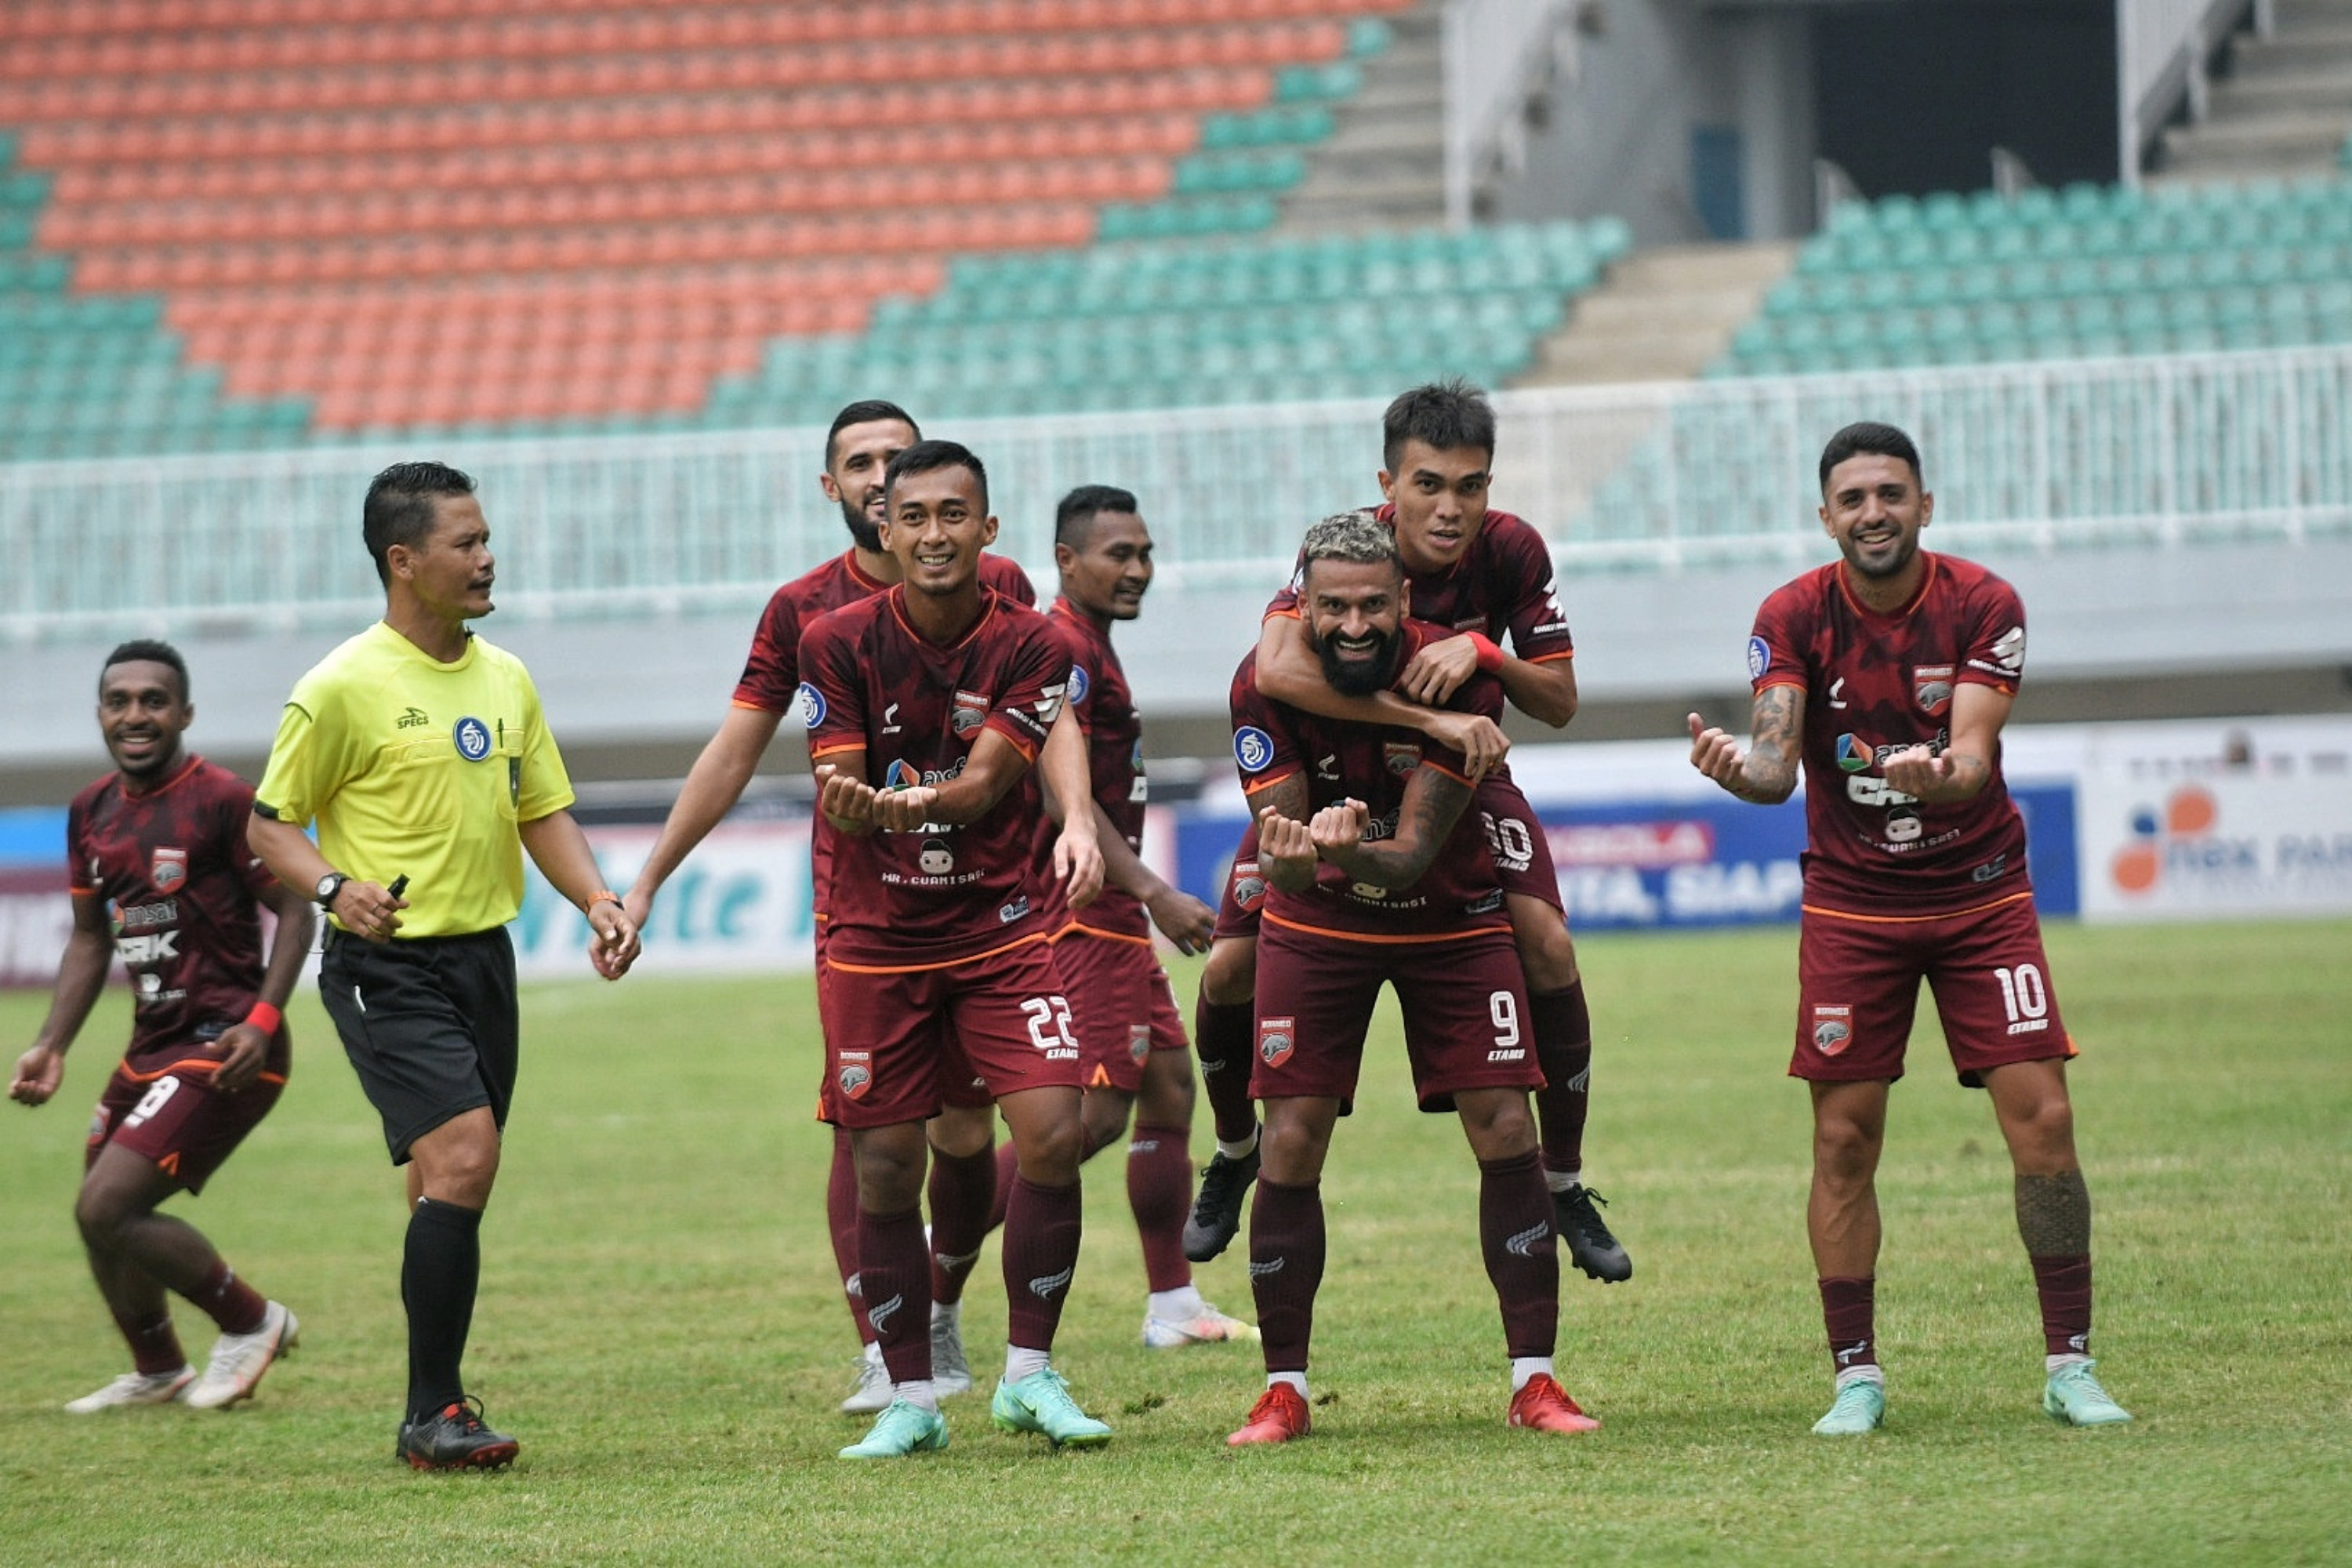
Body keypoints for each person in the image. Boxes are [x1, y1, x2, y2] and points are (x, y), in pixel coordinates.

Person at [1687, 420, 2130, 1435]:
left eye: (1891, 494)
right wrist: (1736, 771)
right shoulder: (1792, 612)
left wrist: (1946, 775)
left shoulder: (1982, 603)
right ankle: (1857, 1377)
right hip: (1854, 906)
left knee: (2047, 1125)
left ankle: (2071, 1365)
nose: (1873, 512)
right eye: (1853, 499)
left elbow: (1972, 753)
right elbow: (1771, 760)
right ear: (1826, 516)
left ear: (1924, 506)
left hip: (1981, 897)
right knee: (1844, 1139)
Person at [619, 400, 1033, 1415]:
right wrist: (648, 879)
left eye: (900, 459)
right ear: (837, 489)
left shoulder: (1004, 589)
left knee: (970, 1138)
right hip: (867, 911)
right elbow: (735, 751)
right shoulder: (803, 609)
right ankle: (884, 1347)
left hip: (985, 908)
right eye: (861, 464)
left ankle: (941, 1302)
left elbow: (1052, 719)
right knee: (868, 1133)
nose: (882, 477)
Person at [1186, 379, 1632, 1290]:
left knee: (1547, 942)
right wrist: (1429, 717)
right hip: (1334, 780)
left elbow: (1558, 701)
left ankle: (1565, 1178)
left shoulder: (1511, 551)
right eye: (1429, 484)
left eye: (1470, 486)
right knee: (1228, 969)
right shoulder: (1345, 550)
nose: (1450, 507)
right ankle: (1235, 1149)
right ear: (1387, 484)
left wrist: (1484, 652)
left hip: (1459, 778)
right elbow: (1275, 665)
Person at [248, 461, 641, 1470]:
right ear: (403, 559)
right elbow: (270, 826)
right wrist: (338, 889)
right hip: (386, 964)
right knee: (465, 1158)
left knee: (443, 1179)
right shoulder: (340, 684)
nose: (486, 555)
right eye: (465, 542)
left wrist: (596, 898)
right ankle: (432, 1412)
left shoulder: (505, 676)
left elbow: (538, 808)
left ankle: (439, 1398)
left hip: (484, 959)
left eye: (485, 537)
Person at [1221, 512, 1596, 1446]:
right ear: (1301, 604)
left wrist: (1356, 856)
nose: (1355, 626)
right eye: (1334, 607)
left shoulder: (1459, 676)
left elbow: (1415, 853)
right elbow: (1289, 854)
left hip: (1451, 913)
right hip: (1318, 924)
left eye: (1372, 607)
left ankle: (1535, 1381)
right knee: (1293, 1139)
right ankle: (1282, 1391)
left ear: (1405, 601)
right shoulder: (1257, 686)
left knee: (1505, 1119)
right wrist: (1305, 863)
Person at [798, 438, 1111, 1459]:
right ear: (883, 529)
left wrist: (901, 805)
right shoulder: (834, 641)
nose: (934, 534)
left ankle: (1030, 1372)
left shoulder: (1032, 643)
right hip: (877, 942)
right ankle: (911, 1397)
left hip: (1000, 929)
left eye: (953, 515)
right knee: (887, 1166)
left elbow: (983, 787)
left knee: (1056, 1129)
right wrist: (861, 804)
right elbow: (837, 779)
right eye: (914, 516)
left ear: (987, 529)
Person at [10, 641, 315, 1415]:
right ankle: (158, 1367)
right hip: (150, 1045)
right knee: (99, 1212)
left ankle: (252, 1319)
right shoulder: (91, 811)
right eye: (120, 700)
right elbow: (89, 937)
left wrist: (261, 1017)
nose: (135, 714)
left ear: (184, 712)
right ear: (102, 712)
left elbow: (295, 907)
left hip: (228, 1041)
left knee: (107, 1204)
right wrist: (52, 1043)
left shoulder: (220, 797)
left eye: (153, 699)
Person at [989, 484, 1250, 1348]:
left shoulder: (1090, 641)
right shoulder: (1063, 644)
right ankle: (935, 1248)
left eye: (1144, 552)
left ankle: (1172, 1305)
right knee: (1089, 1118)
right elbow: (1062, 793)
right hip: (1080, 911)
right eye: (1118, 555)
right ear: (1067, 561)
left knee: (1172, 1085)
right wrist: (1154, 890)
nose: (1138, 569)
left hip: (1111, 913)